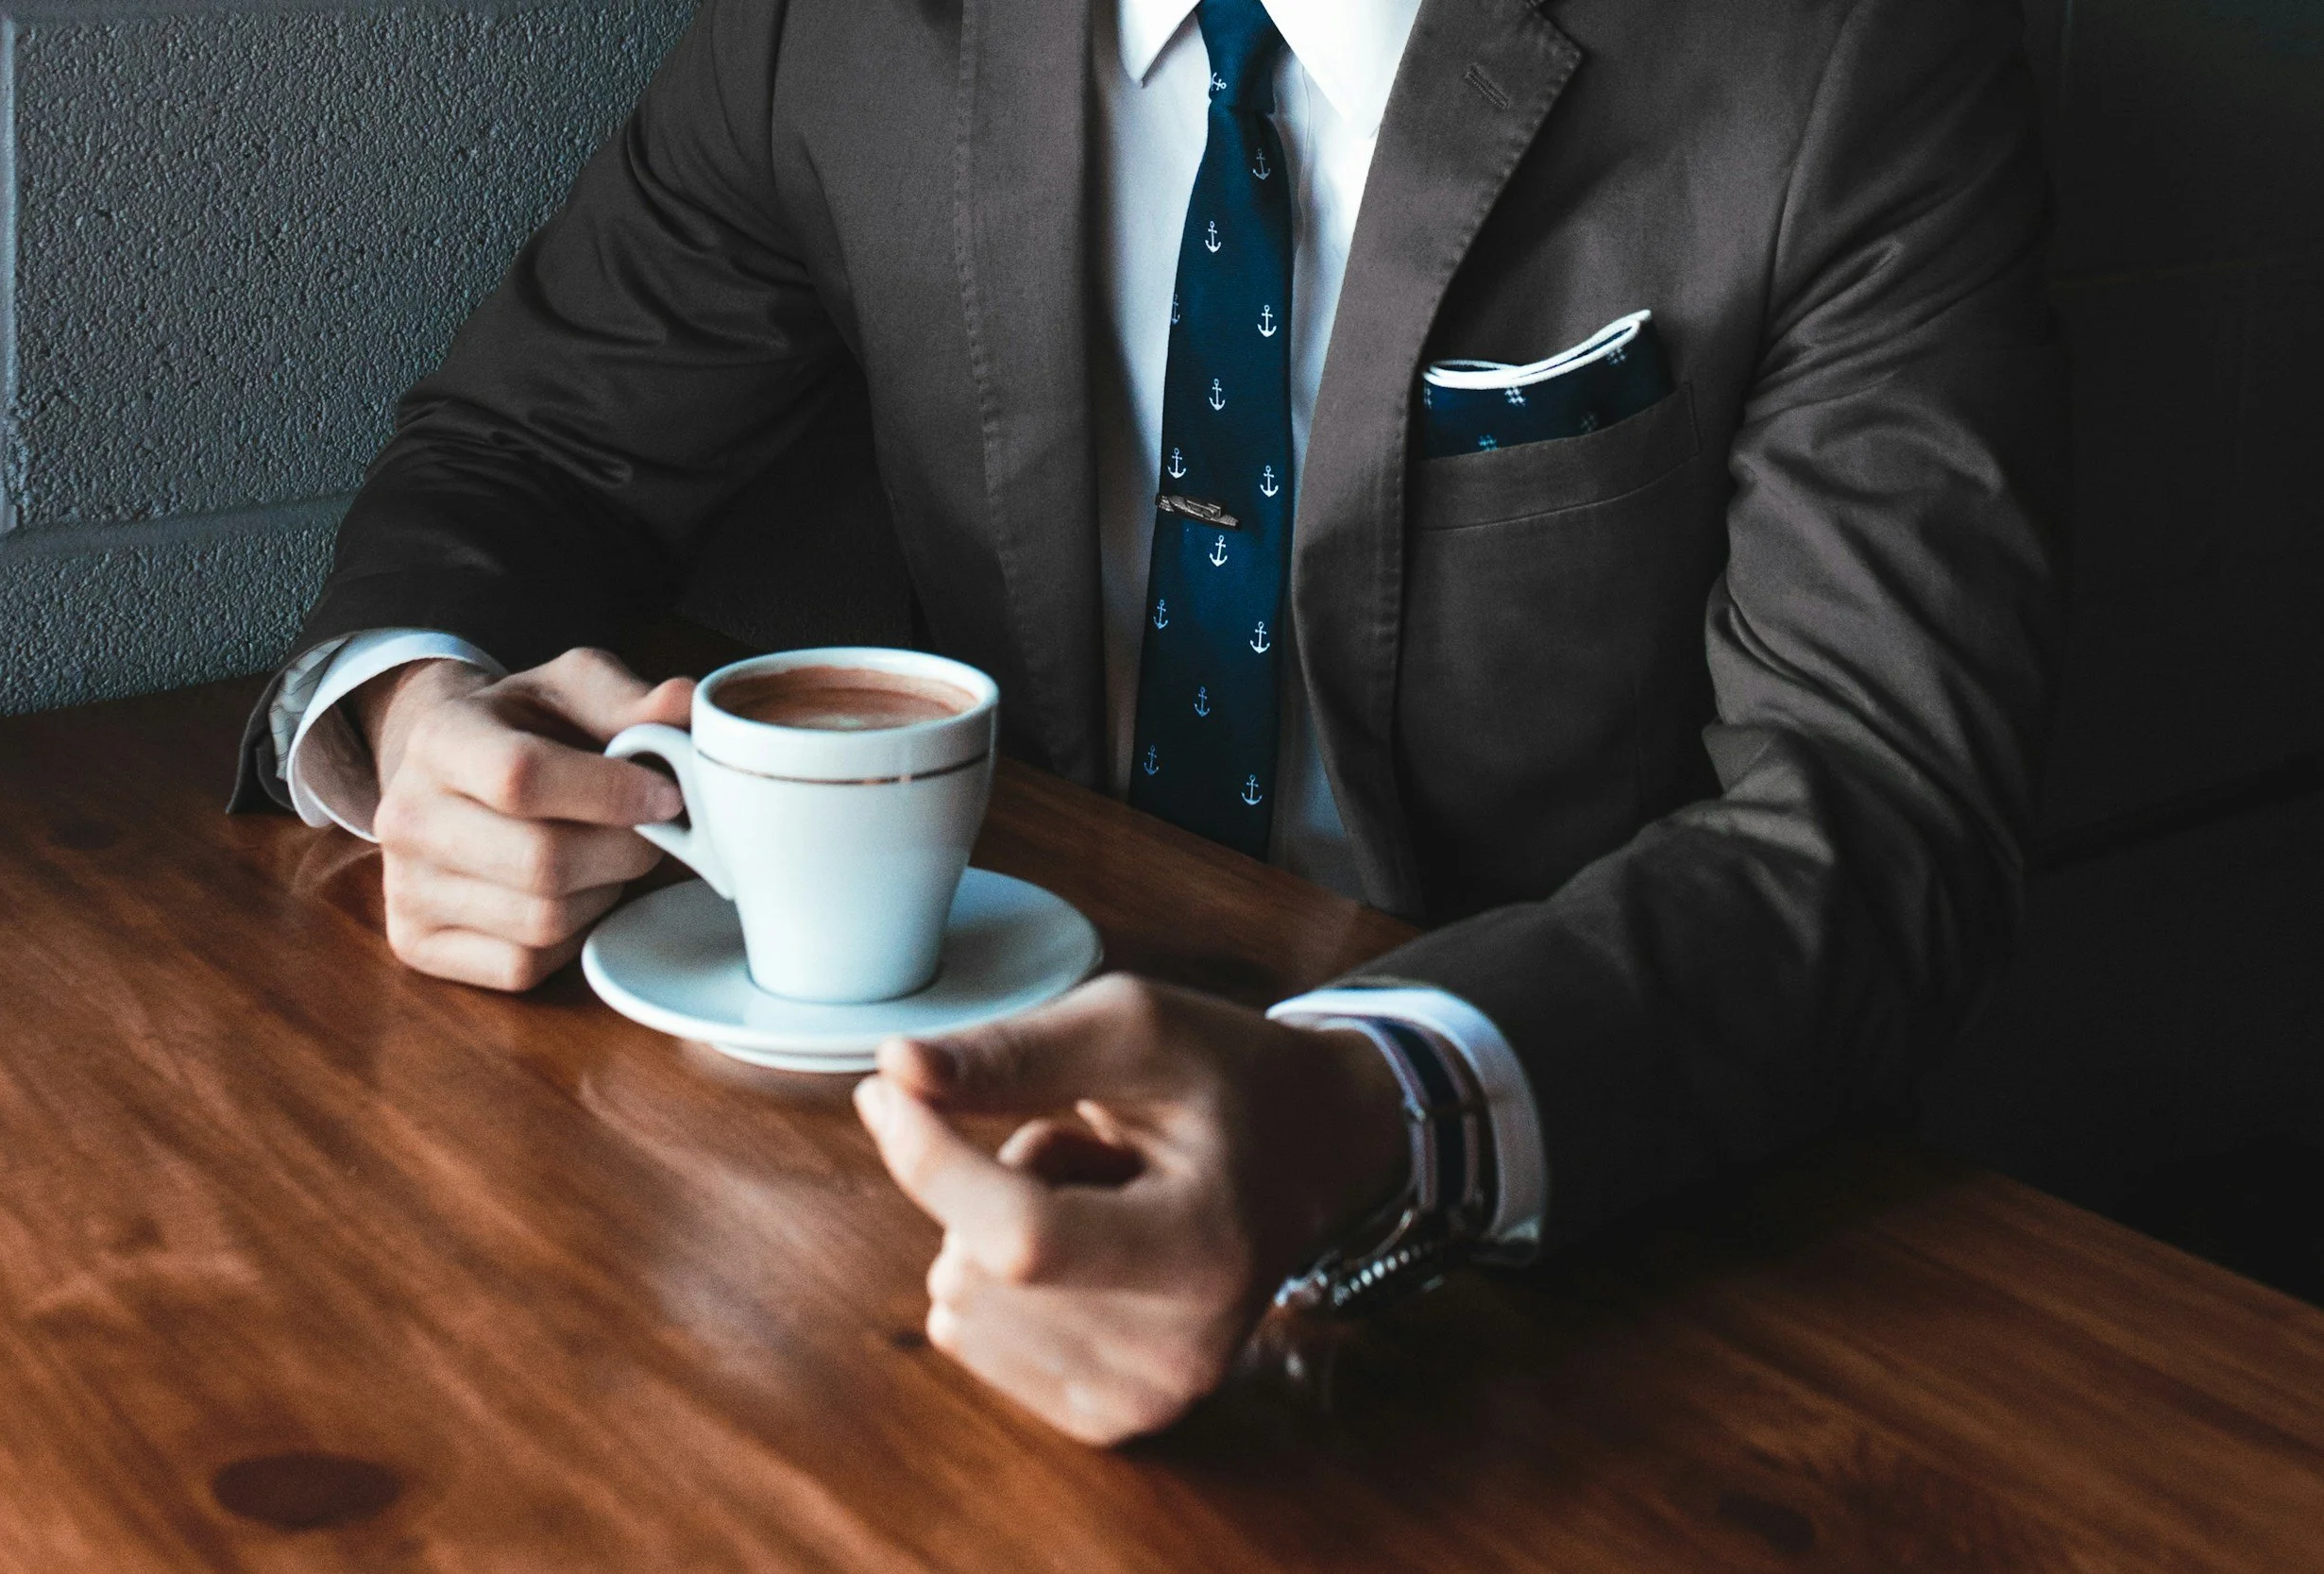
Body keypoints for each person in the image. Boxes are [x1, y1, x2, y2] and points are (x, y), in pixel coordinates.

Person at [233, 0, 2066, 1444]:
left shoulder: (1844, 52)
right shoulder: (837, 26)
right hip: (908, 1174)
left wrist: (1377, 1104)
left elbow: (1878, 811)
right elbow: (527, 444)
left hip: (1580, 1247)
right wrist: (407, 712)